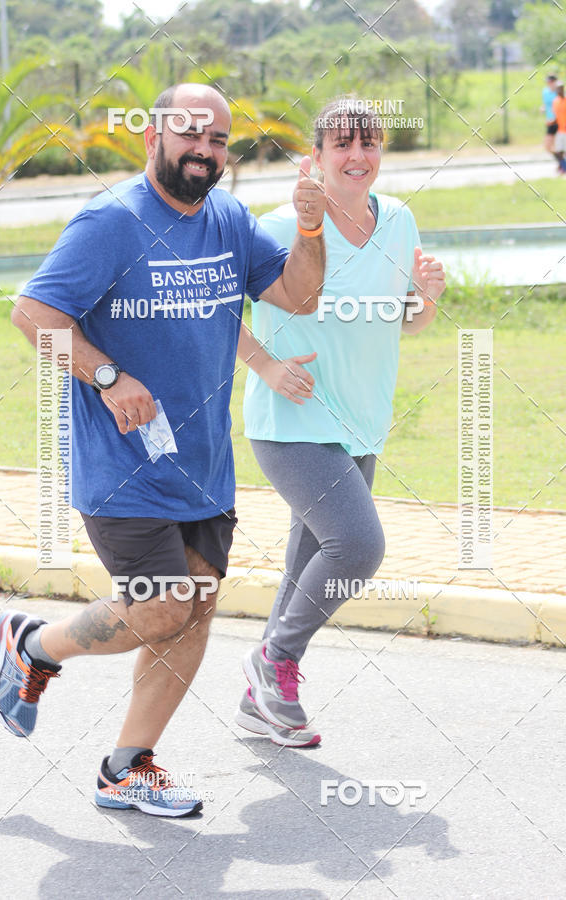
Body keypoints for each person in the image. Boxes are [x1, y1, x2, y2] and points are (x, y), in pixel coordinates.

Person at [0, 82, 326, 816]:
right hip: (123, 467)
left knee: (194, 611)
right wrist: (108, 377)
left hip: (203, 466)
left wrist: (310, 227)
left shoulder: (229, 220)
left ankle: (127, 766)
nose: (205, 150)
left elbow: (299, 297)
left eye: (218, 139)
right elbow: (33, 314)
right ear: (154, 137)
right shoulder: (111, 221)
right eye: (190, 133)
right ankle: (35, 645)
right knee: (164, 605)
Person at [235, 97, 445, 744]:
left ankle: (257, 703)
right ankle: (275, 661)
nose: (358, 155)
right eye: (343, 144)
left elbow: (403, 322)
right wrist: (266, 365)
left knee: (312, 558)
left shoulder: (399, 220)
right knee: (357, 546)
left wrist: (427, 299)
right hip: (291, 421)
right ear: (317, 156)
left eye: (369, 142)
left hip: (361, 421)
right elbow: (213, 308)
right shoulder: (280, 226)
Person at [541, 74, 560, 168]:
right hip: (550, 122)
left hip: (560, 122)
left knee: (559, 146)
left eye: (551, 82)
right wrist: (543, 108)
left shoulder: (560, 92)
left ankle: (562, 165)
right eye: (548, 82)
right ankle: (562, 163)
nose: (549, 84)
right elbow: (546, 104)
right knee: (548, 146)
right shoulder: (545, 92)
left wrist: (554, 119)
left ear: (556, 82)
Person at [551, 82, 566, 174]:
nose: (559, 90)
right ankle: (564, 167)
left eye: (560, 88)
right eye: (557, 89)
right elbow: (557, 116)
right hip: (560, 130)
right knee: (559, 151)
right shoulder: (555, 101)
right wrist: (552, 122)